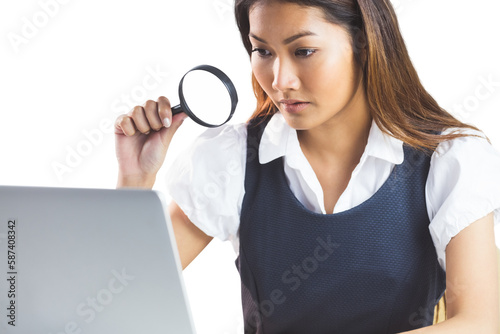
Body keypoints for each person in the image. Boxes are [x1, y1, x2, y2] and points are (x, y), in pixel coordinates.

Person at [114, 0, 500, 332]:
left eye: (303, 51)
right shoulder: (232, 159)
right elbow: (122, 296)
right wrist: (135, 179)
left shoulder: (448, 160)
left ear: (363, 44)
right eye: (262, 51)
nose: (279, 80)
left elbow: (480, 322)